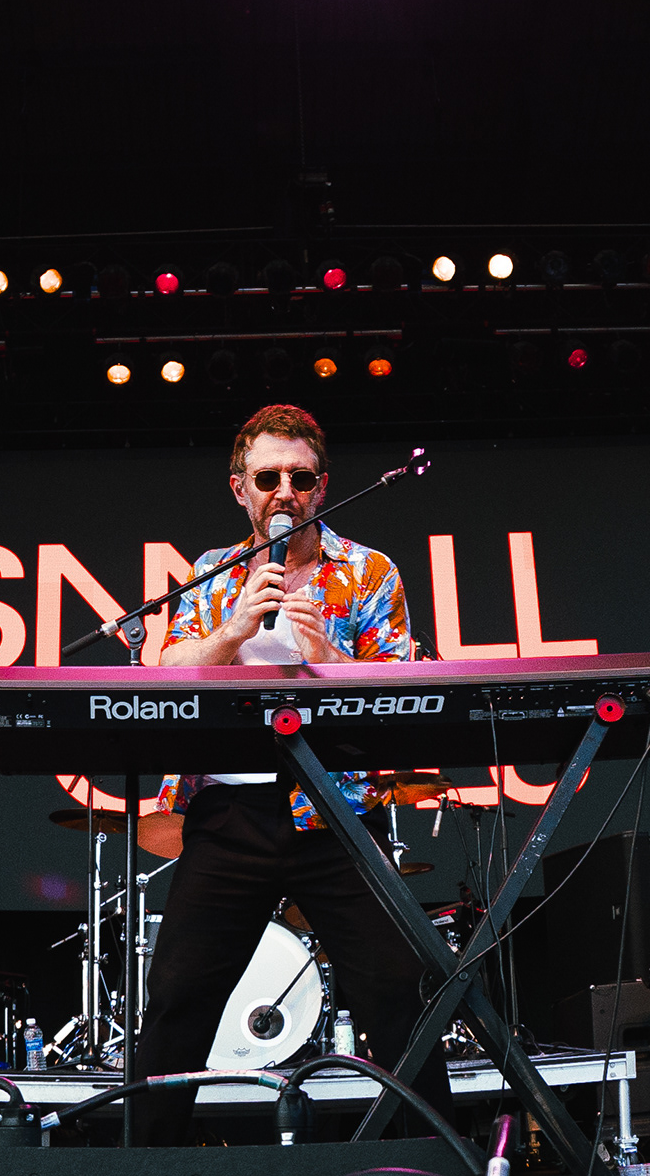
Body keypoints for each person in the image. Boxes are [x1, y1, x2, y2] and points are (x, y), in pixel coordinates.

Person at [129, 402, 443, 1138]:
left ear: (322, 487)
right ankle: (140, 1173)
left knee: (397, 990)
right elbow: (169, 669)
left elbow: (398, 692)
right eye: (267, 478)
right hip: (229, 813)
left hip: (333, 813)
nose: (285, 493)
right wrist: (235, 628)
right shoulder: (212, 571)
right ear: (240, 488)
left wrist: (326, 657)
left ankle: (436, 1169)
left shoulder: (367, 571)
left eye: (300, 479)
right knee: (176, 997)